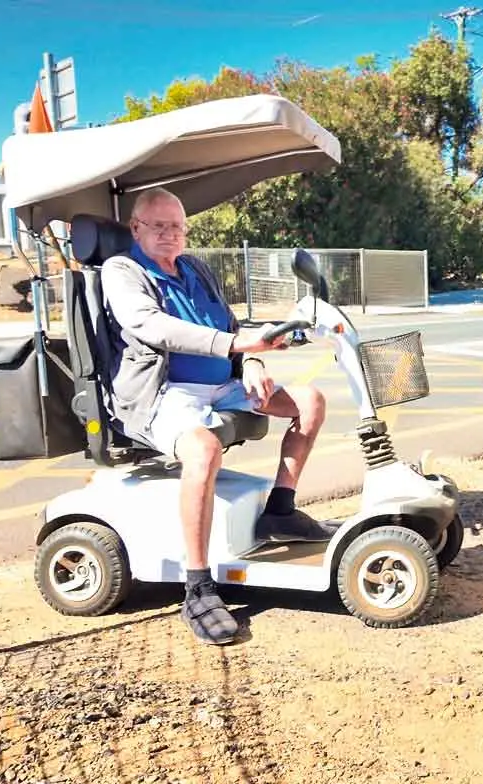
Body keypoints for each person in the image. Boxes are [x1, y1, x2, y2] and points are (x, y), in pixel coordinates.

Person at [101, 187, 330, 646]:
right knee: (203, 450)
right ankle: (198, 585)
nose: (170, 234)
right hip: (161, 393)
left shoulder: (195, 268)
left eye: (178, 226)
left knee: (310, 400)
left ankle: (279, 512)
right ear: (136, 228)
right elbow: (151, 325)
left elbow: (229, 326)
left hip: (223, 386)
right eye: (159, 225)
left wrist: (255, 361)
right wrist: (236, 347)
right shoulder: (121, 270)